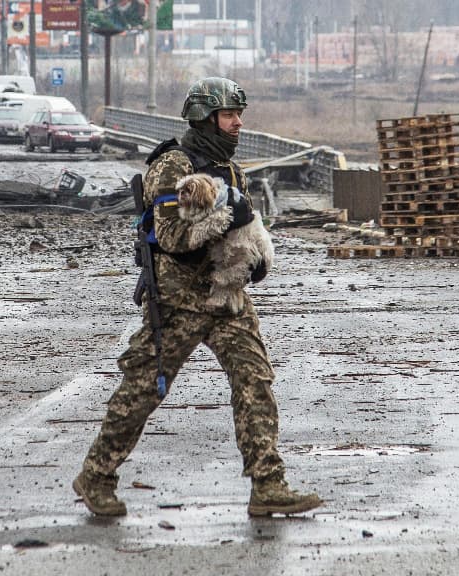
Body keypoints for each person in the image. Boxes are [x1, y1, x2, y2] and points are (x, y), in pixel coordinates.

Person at [73, 77, 322, 518]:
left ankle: (268, 484)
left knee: (255, 381)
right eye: (229, 115)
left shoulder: (229, 169)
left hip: (227, 298)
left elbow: (242, 228)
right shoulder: (172, 167)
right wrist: (229, 218)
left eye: (239, 115)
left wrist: (255, 260)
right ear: (206, 119)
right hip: (178, 300)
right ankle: (96, 475)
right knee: (141, 390)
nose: (238, 123)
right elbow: (171, 237)